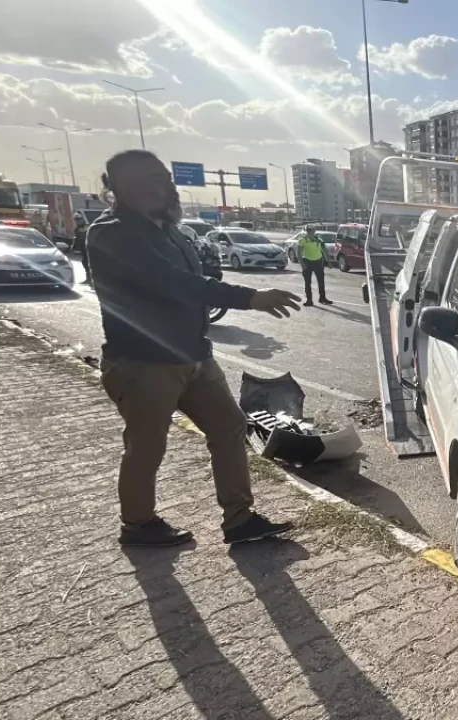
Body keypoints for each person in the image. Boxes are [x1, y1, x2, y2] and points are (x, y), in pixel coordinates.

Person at [87, 149, 302, 547]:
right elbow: (173, 283)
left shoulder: (168, 230)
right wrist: (251, 297)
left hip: (194, 356)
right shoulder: (112, 233)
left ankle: (239, 519)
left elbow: (196, 280)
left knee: (230, 426)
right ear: (121, 188)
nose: (167, 187)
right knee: (147, 448)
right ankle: (137, 525)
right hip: (143, 363)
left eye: (166, 177)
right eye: (153, 180)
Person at [297, 226, 332, 307]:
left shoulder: (319, 240)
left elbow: (325, 251)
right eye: (309, 230)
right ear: (307, 231)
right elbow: (298, 253)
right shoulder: (303, 241)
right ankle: (309, 300)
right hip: (307, 262)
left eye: (312, 230)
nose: (311, 232)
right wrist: (302, 264)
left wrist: (329, 262)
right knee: (307, 282)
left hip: (318, 262)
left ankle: (322, 298)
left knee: (321, 281)